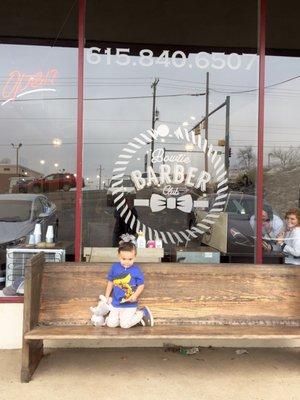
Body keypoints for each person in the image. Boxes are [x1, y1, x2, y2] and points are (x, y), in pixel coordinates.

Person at [104, 240, 154, 328]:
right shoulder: (115, 267)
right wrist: (106, 297)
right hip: (116, 303)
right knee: (111, 324)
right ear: (119, 256)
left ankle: (142, 313)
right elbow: (110, 282)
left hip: (130, 304)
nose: (127, 262)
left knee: (125, 325)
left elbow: (141, 285)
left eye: (130, 259)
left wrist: (135, 295)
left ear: (135, 257)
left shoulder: (136, 270)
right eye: (123, 259)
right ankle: (122, 318)